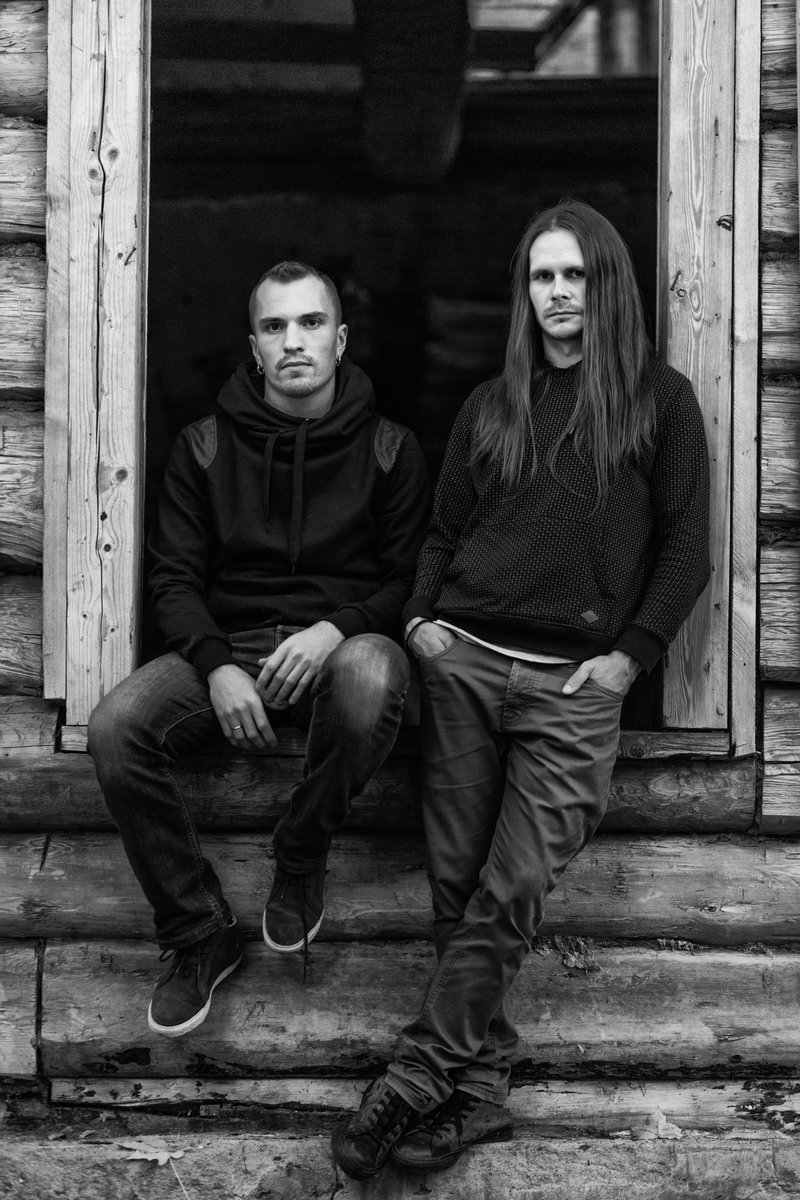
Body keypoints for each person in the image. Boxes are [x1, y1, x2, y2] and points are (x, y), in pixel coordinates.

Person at [331, 201, 711, 1178]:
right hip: (461, 665)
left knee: (510, 888)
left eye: (574, 275)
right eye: (542, 276)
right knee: (458, 887)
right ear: (524, 291)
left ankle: (413, 1077)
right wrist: (420, 622)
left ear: (606, 284)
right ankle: (482, 1093)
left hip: (571, 687)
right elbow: (444, 533)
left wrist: (627, 660)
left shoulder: (658, 403)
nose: (556, 294)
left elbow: (685, 549)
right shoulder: (490, 405)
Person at [88, 261, 430, 1038]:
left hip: (341, 647)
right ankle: (198, 929)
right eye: (275, 326)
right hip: (232, 647)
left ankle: (300, 853)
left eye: (311, 322)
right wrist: (216, 668)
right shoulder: (204, 446)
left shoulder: (391, 448)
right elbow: (173, 579)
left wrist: (335, 629)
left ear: (341, 338)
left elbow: (411, 578)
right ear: (253, 346)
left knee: (374, 670)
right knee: (116, 726)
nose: (293, 341)